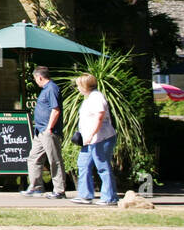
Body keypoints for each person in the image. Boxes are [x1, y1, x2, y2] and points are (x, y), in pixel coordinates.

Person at [71, 73, 117, 206]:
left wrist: (91, 135)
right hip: (89, 140)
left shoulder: (97, 98)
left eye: (79, 85)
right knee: (83, 164)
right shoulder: (89, 97)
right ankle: (85, 195)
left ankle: (110, 197)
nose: (78, 88)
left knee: (102, 166)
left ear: (85, 85)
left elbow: (99, 117)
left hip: (101, 138)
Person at [22, 65, 65, 197]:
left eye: (35, 78)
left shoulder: (51, 88)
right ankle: (36, 186)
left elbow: (55, 109)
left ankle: (59, 190)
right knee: (33, 158)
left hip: (48, 131)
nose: (35, 81)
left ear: (39, 77)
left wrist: (49, 128)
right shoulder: (46, 89)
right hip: (39, 131)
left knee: (54, 160)